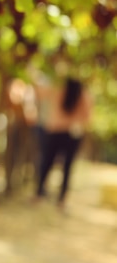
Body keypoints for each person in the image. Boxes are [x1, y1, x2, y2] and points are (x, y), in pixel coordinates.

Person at [35, 76, 92, 209]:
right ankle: (61, 199)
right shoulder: (83, 93)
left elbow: (41, 93)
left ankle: (40, 193)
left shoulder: (58, 88)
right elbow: (88, 116)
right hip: (72, 133)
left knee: (47, 162)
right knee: (67, 166)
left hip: (55, 130)